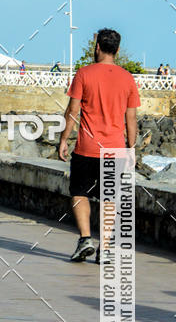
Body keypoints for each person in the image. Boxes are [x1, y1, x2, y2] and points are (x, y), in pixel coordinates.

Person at [58, 28, 139, 263]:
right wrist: (131, 149)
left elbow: (73, 111)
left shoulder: (84, 74)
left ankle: (85, 239)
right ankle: (104, 247)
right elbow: (131, 118)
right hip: (115, 149)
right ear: (118, 50)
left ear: (97, 47)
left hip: (87, 148)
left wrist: (64, 139)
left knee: (79, 192)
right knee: (109, 198)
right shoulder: (127, 78)